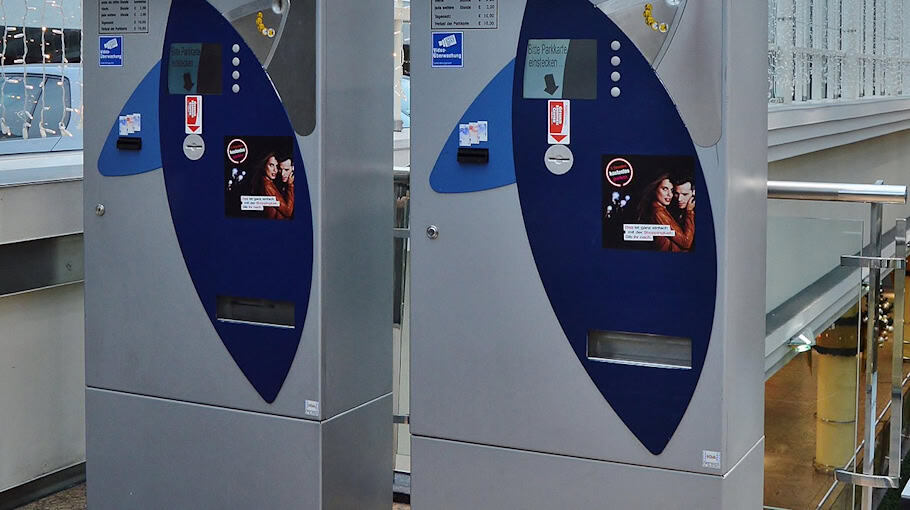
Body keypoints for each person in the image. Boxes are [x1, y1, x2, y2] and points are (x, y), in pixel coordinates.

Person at [635, 172, 694, 252]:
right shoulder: (658, 212)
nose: (670, 194)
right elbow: (686, 242)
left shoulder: (665, 209)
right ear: (655, 189)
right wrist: (689, 212)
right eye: (665, 189)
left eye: (672, 190)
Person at [250, 152, 293, 220]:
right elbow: (287, 212)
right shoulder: (267, 185)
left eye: (277, 166)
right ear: (264, 166)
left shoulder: (268, 182)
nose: (275, 170)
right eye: (271, 165)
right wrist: (290, 185)